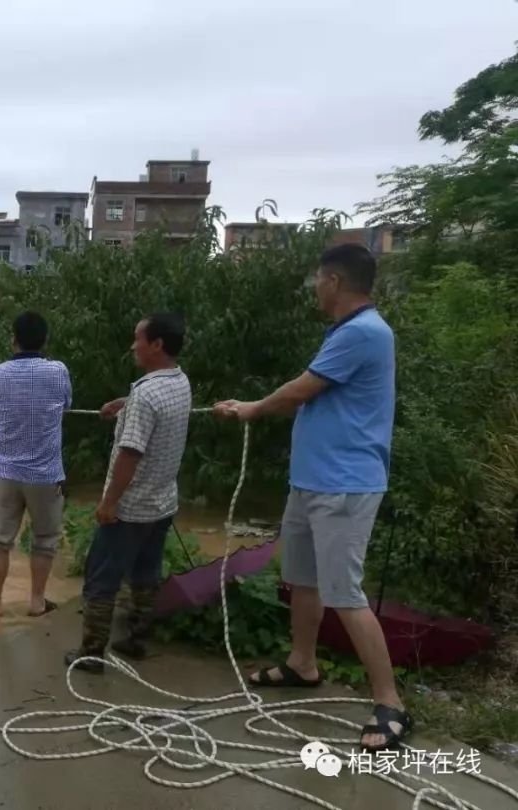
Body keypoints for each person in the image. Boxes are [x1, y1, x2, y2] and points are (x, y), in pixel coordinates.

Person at [214, 243, 408, 752]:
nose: (316, 288)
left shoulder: (364, 333)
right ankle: (303, 662)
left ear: (336, 282)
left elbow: (301, 390)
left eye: (319, 279)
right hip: (313, 481)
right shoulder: (349, 332)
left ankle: (390, 702)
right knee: (301, 579)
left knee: (344, 592)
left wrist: (252, 409)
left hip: (344, 483)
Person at [65, 313, 192, 672]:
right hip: (162, 503)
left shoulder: (146, 394)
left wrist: (108, 502)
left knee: (100, 579)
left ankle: (90, 654)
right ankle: (137, 638)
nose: (132, 345)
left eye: (138, 339)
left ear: (157, 345)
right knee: (145, 573)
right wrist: (124, 405)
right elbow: (154, 407)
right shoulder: (179, 381)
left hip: (130, 509)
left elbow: (130, 453)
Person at [0, 311, 72, 618]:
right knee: (45, 541)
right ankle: (36, 602)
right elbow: (67, 406)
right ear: (45, 340)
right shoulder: (58, 371)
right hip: (45, 474)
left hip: (4, 472)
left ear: (14, 339)